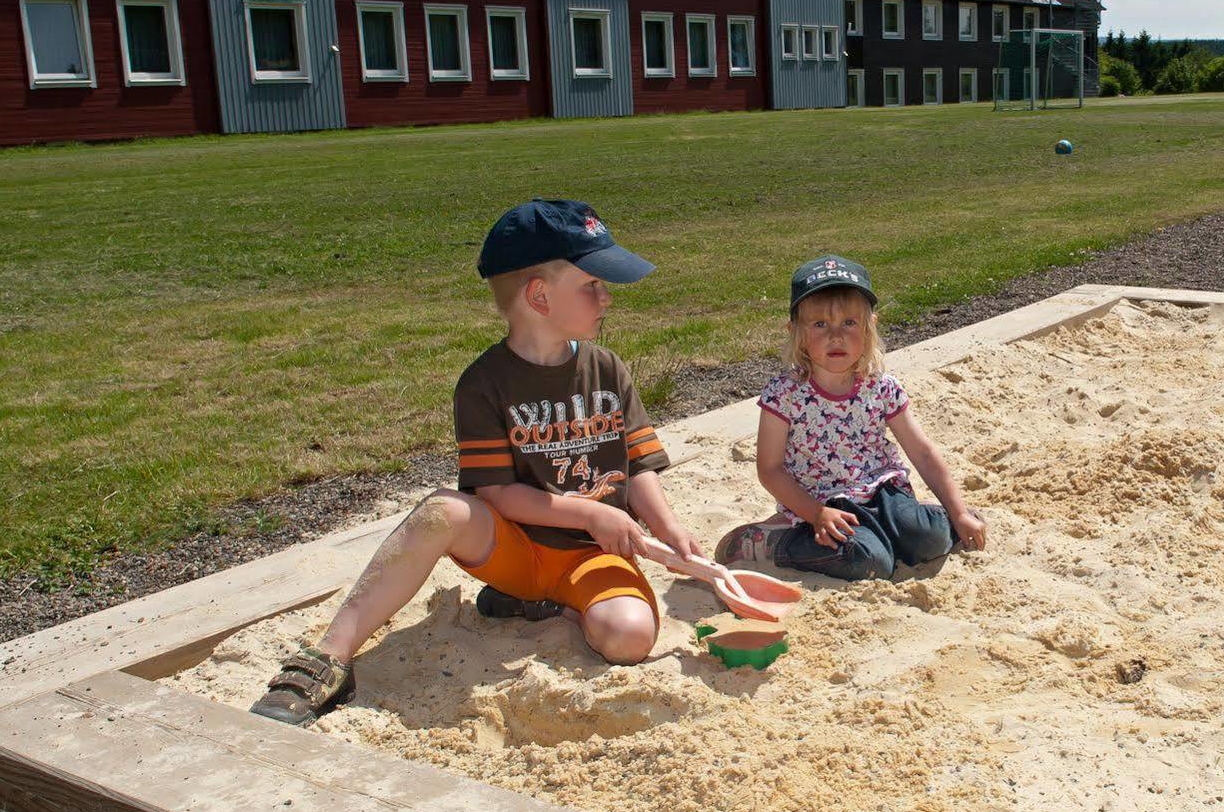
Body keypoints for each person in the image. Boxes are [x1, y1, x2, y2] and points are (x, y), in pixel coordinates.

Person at [250, 199, 700, 724]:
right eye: (592, 284)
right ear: (538, 295)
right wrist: (592, 513)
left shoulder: (607, 369)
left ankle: (545, 604)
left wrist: (669, 530)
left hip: (588, 556)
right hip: (514, 546)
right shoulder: (484, 384)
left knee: (629, 637)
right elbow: (498, 495)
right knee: (441, 511)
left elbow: (639, 467)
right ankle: (330, 655)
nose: (607, 297)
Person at [715, 255, 986, 580]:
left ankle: (934, 521)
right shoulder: (784, 394)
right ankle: (776, 541)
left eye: (849, 323)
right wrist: (816, 514)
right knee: (869, 561)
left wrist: (958, 513)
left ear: (870, 325)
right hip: (823, 502)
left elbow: (923, 453)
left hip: (885, 491)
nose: (836, 336)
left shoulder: (881, 387)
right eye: (820, 325)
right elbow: (770, 470)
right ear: (795, 331)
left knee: (931, 538)